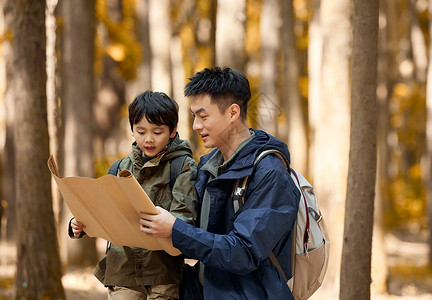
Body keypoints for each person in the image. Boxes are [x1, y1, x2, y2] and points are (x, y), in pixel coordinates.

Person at [139, 67, 299, 299]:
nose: (195, 126)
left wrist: (175, 229)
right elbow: (197, 236)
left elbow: (243, 252)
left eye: (203, 116)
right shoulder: (207, 166)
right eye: (194, 116)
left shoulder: (269, 172)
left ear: (233, 112)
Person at [69, 91, 198, 300]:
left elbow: (185, 217)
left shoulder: (182, 166)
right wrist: (79, 223)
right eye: (141, 131)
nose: (148, 139)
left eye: (157, 132)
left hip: (163, 272)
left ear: (173, 131)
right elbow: (102, 212)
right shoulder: (119, 168)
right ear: (131, 130)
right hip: (122, 270)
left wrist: (165, 224)